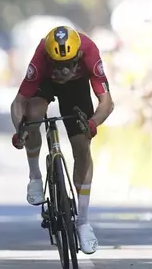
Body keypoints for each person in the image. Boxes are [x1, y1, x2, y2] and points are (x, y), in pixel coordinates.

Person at [10, 26, 114, 255]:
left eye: (68, 65)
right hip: (45, 85)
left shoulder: (89, 50)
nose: (63, 70)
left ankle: (84, 222)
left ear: (78, 57)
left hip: (76, 91)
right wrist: (20, 130)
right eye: (57, 65)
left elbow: (107, 103)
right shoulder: (41, 55)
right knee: (34, 115)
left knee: (82, 146)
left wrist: (93, 123)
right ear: (49, 59)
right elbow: (18, 102)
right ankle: (35, 175)